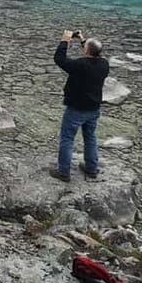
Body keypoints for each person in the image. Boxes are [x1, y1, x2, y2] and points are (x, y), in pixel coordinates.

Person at [49, 30, 109, 182]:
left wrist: (65, 40)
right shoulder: (104, 64)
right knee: (90, 137)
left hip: (76, 109)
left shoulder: (79, 65)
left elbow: (59, 59)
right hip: (94, 109)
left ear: (86, 51)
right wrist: (82, 40)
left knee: (67, 139)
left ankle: (63, 172)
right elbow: (93, 53)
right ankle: (91, 169)